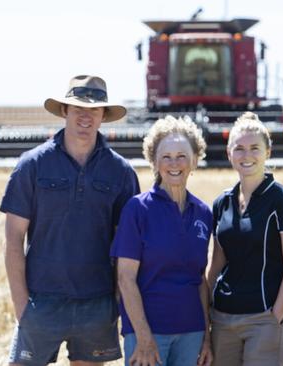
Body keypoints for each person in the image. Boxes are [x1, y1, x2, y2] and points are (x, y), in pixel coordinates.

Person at [0, 75, 140, 365]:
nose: (85, 117)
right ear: (64, 111)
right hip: (41, 299)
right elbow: (13, 239)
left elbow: (126, 246)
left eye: (94, 110)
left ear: (104, 115)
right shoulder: (33, 164)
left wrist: (113, 302)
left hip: (97, 303)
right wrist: (22, 307)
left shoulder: (121, 172)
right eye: (78, 109)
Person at [111, 116, 213, 366]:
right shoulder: (137, 209)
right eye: (166, 156)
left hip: (192, 332)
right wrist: (144, 337)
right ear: (154, 161)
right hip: (148, 333)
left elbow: (200, 279)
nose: (174, 163)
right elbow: (125, 278)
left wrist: (207, 337)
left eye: (182, 155)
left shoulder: (203, 212)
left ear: (195, 160)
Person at [207, 112, 283, 366]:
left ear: (267, 152)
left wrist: (277, 312)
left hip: (264, 318)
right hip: (223, 318)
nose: (246, 155)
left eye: (254, 148)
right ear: (229, 154)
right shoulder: (222, 202)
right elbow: (216, 264)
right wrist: (206, 308)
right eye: (239, 148)